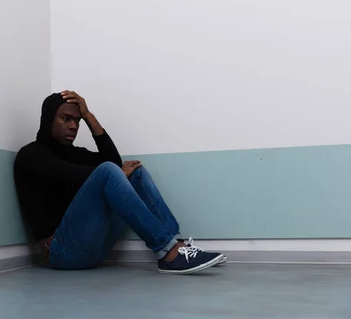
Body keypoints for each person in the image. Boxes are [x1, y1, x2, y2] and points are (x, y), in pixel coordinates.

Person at [13, 91, 226, 274]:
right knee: (107, 171)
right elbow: (77, 174)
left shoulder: (75, 153)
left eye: (77, 121)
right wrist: (112, 171)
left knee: (134, 173)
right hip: (61, 252)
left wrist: (89, 116)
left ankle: (177, 247)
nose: (73, 126)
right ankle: (167, 251)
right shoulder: (31, 155)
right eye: (65, 119)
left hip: (93, 248)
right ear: (48, 118)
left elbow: (114, 163)